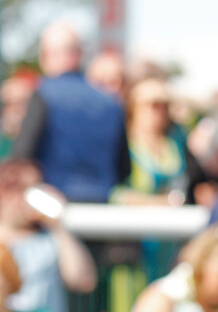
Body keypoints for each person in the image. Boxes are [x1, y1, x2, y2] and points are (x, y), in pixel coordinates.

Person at [11, 21, 130, 203]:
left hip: (53, 211)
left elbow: (22, 157)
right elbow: (124, 169)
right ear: (80, 54)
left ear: (46, 55)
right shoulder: (111, 102)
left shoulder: (44, 94)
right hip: (101, 209)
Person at [110, 78, 207, 281]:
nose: (160, 111)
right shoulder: (122, 144)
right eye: (153, 105)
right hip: (134, 251)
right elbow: (114, 193)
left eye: (165, 105)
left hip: (172, 248)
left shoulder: (176, 143)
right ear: (134, 107)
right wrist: (158, 203)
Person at [0, 160, 97, 312]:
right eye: (20, 189)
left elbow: (84, 281)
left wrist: (58, 225)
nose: (27, 198)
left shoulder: (50, 240)